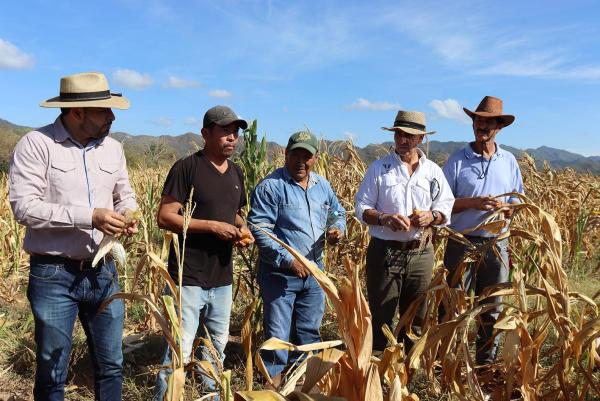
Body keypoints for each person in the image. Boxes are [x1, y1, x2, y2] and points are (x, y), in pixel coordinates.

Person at [9, 72, 138, 401]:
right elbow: (25, 208)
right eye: (104, 110)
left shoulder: (114, 149)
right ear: (76, 112)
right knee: (53, 373)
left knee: (111, 365)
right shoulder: (37, 145)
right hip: (54, 274)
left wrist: (128, 216)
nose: (112, 116)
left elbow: (126, 195)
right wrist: (90, 217)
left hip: (104, 271)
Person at [154, 105, 253, 400]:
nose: (232, 138)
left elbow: (233, 213)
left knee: (215, 347)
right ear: (205, 134)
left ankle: (208, 396)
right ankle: (166, 396)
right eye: (224, 131)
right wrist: (211, 226)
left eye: (235, 132)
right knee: (179, 349)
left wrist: (243, 228)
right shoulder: (187, 168)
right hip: (188, 276)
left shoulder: (236, 172)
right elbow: (165, 216)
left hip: (221, 278)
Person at [248, 131, 346, 385]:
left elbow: (337, 212)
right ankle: (273, 383)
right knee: (277, 334)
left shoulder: (322, 186)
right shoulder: (271, 187)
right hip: (280, 275)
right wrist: (289, 260)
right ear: (286, 154)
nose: (301, 161)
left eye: (307, 156)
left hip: (315, 273)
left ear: (315, 158)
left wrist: (337, 229)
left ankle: (302, 381)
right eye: (295, 155)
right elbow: (259, 229)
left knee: (308, 330)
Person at [355, 111, 454, 354]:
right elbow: (361, 207)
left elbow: (445, 205)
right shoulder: (379, 168)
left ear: (420, 138)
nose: (403, 140)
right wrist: (384, 218)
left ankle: (408, 372)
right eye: (399, 134)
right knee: (381, 318)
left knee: (416, 318)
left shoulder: (433, 172)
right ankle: (378, 373)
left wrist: (432, 216)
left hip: (421, 254)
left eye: (409, 135)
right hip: (385, 253)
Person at [442, 96, 523, 366]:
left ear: (499, 127)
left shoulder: (509, 161)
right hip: (461, 243)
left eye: (488, 122)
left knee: (492, 308)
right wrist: (474, 203)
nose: (482, 126)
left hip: (496, 245)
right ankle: (450, 366)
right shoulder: (456, 160)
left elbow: (518, 201)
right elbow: (440, 205)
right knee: (454, 306)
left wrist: (506, 209)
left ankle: (484, 365)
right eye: (478, 120)